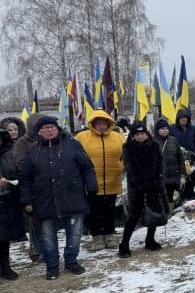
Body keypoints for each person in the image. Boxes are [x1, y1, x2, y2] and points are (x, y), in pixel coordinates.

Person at [19, 116, 98, 280]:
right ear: (38, 132)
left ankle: (71, 260)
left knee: (74, 234)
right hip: (45, 201)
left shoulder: (73, 145)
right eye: (45, 128)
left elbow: (87, 167)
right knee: (48, 236)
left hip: (73, 198)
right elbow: (26, 179)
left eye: (52, 127)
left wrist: (92, 187)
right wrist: (26, 200)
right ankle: (52, 265)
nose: (49, 130)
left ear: (58, 128)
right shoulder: (33, 152)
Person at [75, 109, 125, 251]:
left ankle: (109, 236)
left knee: (109, 210)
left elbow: (126, 154)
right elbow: (75, 156)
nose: (102, 126)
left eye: (104, 123)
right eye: (99, 123)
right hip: (91, 182)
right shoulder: (82, 137)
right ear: (93, 124)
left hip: (112, 180)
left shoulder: (118, 137)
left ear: (109, 124)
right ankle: (97, 238)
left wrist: (121, 167)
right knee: (94, 211)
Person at [119, 120, 168, 258]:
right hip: (136, 187)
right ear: (133, 136)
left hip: (154, 185)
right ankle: (124, 244)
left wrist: (157, 181)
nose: (140, 137)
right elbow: (130, 169)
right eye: (137, 134)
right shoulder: (128, 147)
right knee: (134, 215)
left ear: (146, 133)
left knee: (153, 213)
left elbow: (160, 165)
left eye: (142, 134)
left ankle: (150, 240)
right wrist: (142, 184)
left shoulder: (154, 145)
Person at [13, 112, 44, 262]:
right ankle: (38, 250)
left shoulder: (48, 139)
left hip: (48, 186)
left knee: (47, 221)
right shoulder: (22, 143)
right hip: (32, 186)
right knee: (35, 221)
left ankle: (49, 250)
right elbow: (20, 164)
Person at [0, 129, 25, 280]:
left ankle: (5, 266)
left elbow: (16, 174)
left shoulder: (9, 155)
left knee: (4, 238)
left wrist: (9, 181)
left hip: (7, 201)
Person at [154, 118, 185, 206]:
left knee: (171, 199)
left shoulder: (174, 140)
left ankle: (170, 211)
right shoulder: (153, 142)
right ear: (157, 130)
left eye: (166, 128)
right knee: (161, 200)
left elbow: (180, 158)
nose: (165, 130)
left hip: (173, 177)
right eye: (162, 128)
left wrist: (182, 174)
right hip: (160, 178)